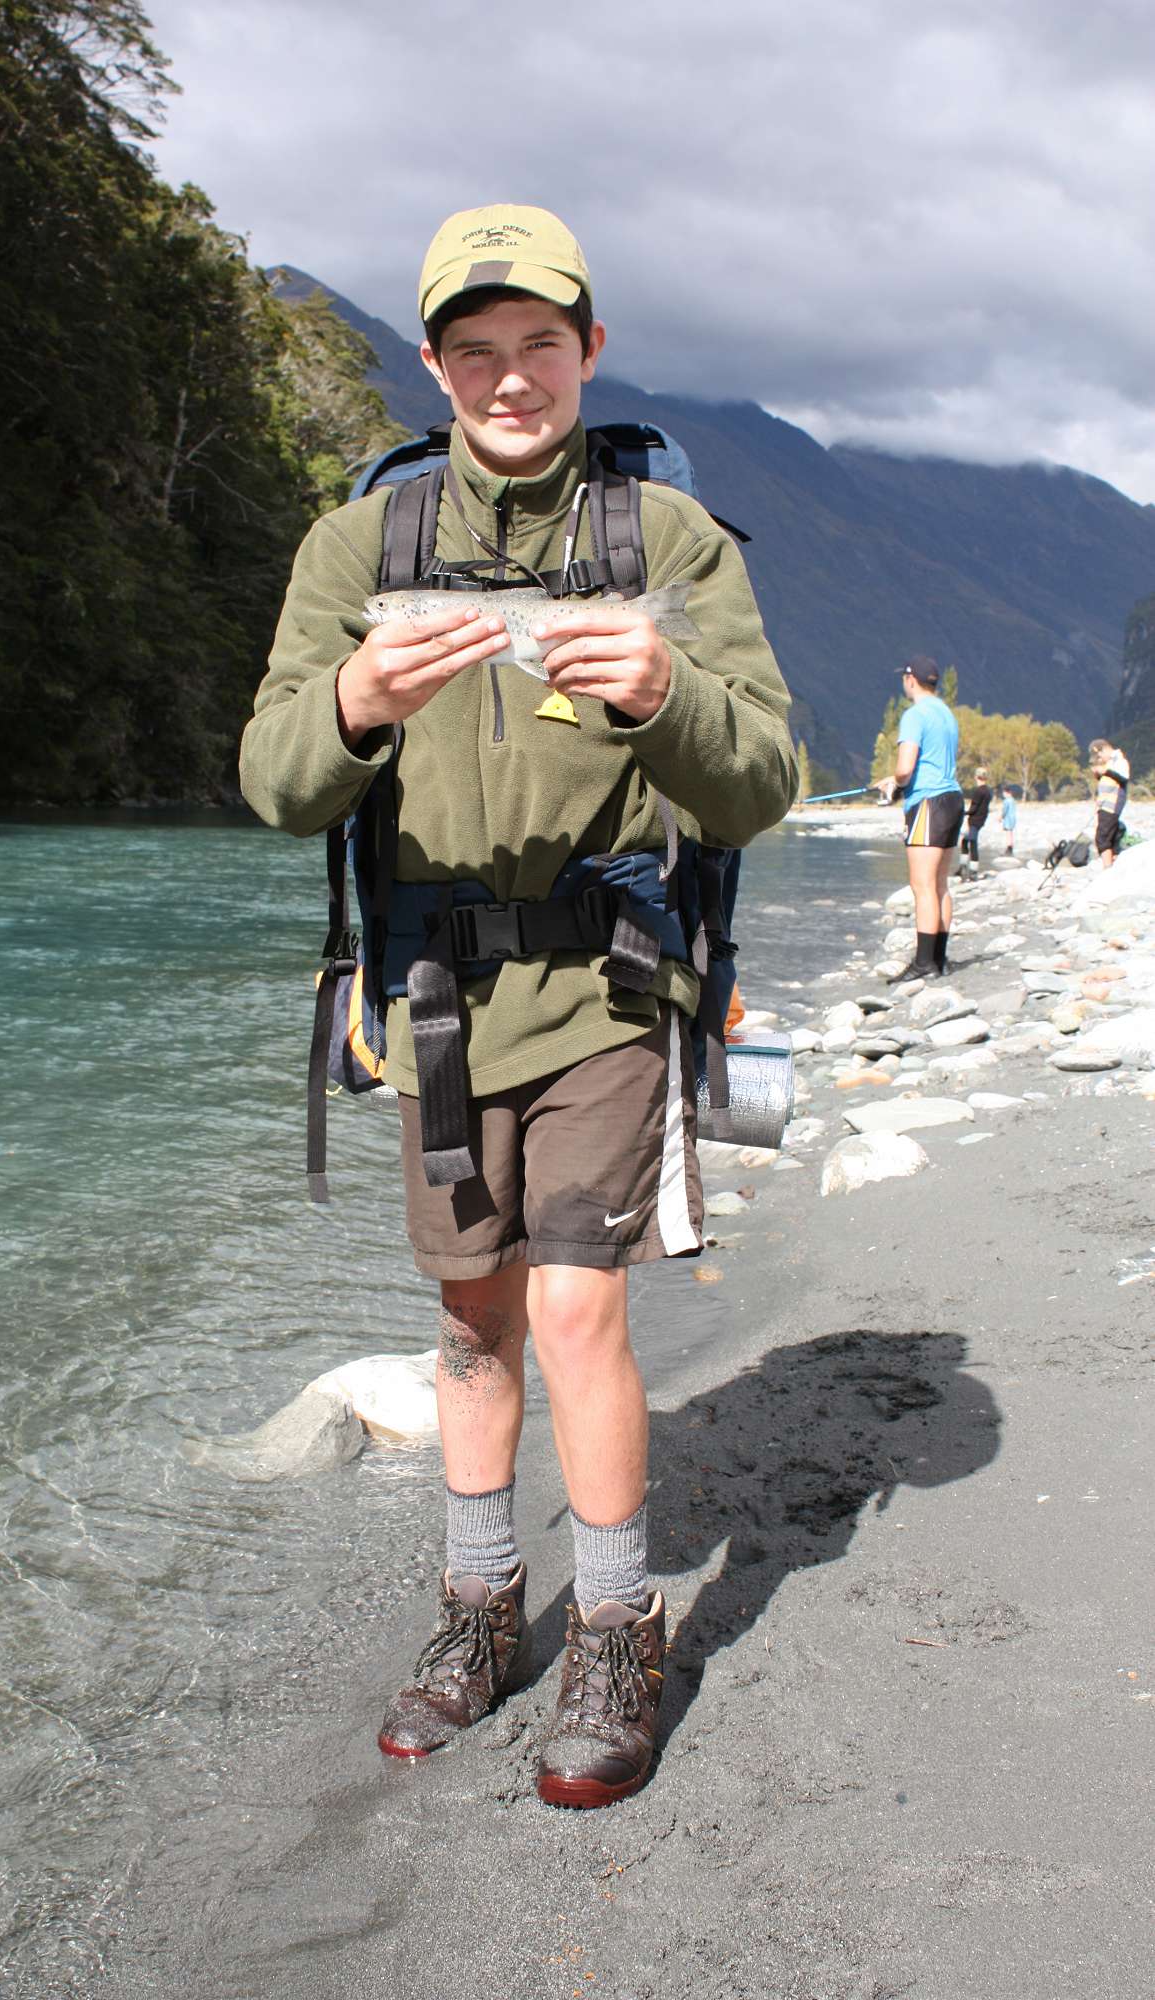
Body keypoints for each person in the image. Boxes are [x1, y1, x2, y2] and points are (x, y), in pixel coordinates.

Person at [239, 203, 796, 1808]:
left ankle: (615, 1631)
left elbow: (762, 783)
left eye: (539, 343)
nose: (508, 376)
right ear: (433, 367)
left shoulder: (669, 543)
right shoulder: (357, 550)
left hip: (609, 985)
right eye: (474, 350)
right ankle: (480, 1611)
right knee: (469, 1318)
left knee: (572, 1305)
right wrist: (355, 701)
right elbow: (274, 783)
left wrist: (667, 697)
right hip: (432, 995)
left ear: (588, 350)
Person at [876, 657, 962, 983]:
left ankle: (924, 963)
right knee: (940, 884)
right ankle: (938, 958)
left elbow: (905, 768)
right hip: (952, 800)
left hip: (928, 802)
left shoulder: (915, 715)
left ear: (910, 679)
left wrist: (894, 782)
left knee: (922, 885)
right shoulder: (946, 713)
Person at [1089, 738, 1129, 869]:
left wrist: (1105, 771)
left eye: (1099, 756)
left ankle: (1107, 867)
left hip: (1112, 805)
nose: (1099, 759)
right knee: (1110, 834)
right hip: (1105, 805)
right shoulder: (1110, 762)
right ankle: (1114, 863)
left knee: (1102, 837)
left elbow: (1123, 777)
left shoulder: (1119, 760)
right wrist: (1098, 774)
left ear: (1103, 750)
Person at [961, 766, 992, 876]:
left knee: (972, 843)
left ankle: (973, 871)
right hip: (981, 821)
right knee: (965, 841)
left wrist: (962, 813)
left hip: (975, 821)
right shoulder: (988, 791)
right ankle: (963, 867)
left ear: (976, 777)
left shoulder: (978, 791)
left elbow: (973, 808)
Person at [999, 785, 1017, 856]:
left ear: (1007, 793)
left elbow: (1004, 810)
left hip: (1008, 819)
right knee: (1011, 834)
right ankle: (1010, 848)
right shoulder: (1012, 800)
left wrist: (1001, 817)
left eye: (1004, 793)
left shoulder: (1006, 801)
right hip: (1012, 819)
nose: (1003, 795)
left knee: (1008, 834)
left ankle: (1009, 849)